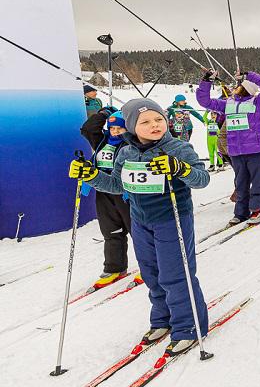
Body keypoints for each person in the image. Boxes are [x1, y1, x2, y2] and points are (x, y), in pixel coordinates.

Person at [69, 98, 210, 357]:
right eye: (145, 122)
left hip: (172, 218)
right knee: (151, 273)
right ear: (132, 126)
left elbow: (202, 180)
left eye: (158, 119)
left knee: (175, 274)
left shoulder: (178, 148)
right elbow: (117, 185)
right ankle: (162, 319)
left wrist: (180, 168)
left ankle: (188, 326)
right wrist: (91, 176)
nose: (154, 125)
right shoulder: (126, 152)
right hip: (141, 220)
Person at [197, 70, 260, 225]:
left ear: (244, 88)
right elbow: (204, 101)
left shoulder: (257, 102)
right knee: (240, 183)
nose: (234, 89)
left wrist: (249, 75)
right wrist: (206, 81)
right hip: (236, 151)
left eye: (238, 87)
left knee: (257, 181)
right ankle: (241, 212)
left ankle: (258, 210)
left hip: (255, 150)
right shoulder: (228, 104)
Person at [80, 107, 134, 287]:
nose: (116, 132)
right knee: (110, 230)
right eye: (112, 128)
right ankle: (114, 267)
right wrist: (103, 115)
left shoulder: (130, 144)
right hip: (103, 191)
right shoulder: (101, 140)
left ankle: (151, 266)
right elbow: (87, 129)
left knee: (137, 230)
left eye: (120, 128)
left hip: (126, 192)